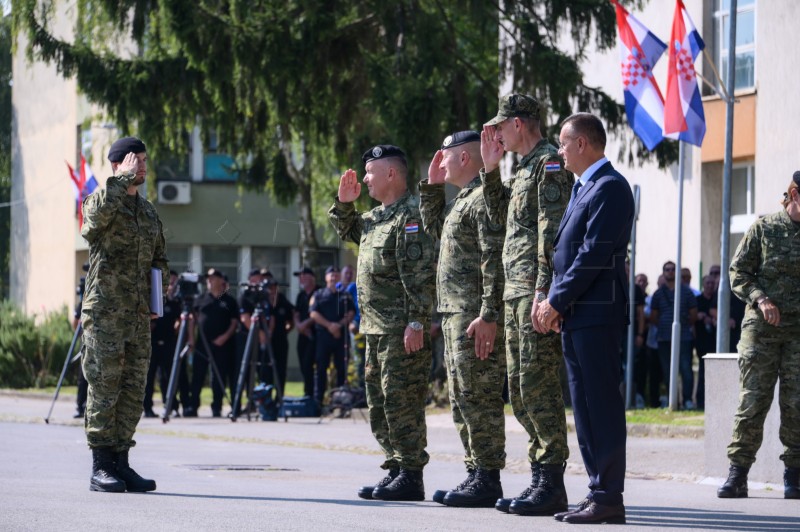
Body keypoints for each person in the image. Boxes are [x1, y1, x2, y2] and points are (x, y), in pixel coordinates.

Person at [534, 112, 634, 524]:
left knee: (602, 407)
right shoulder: (584, 188)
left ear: (582, 144)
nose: (559, 150)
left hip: (596, 315)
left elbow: (591, 255)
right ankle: (598, 492)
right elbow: (564, 252)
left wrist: (555, 301)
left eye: (563, 142)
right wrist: (557, 303)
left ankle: (610, 497)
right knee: (585, 409)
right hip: (577, 316)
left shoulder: (610, 188)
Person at [480, 93, 573, 515]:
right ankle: (539, 478)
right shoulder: (522, 168)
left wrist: (543, 293)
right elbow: (501, 222)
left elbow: (550, 235)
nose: (496, 133)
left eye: (500, 126)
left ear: (519, 123)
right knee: (519, 389)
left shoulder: (549, 163)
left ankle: (552, 481)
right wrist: (490, 169)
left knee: (539, 388)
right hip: (515, 292)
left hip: (533, 294)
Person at [329, 144, 435, 501]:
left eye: (371, 172)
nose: (366, 179)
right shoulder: (376, 218)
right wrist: (345, 203)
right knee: (378, 400)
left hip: (400, 329)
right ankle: (394, 466)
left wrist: (418, 322)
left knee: (401, 400)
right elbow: (348, 230)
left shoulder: (410, 218)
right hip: (374, 328)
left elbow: (419, 275)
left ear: (392, 174)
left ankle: (411, 472)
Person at [419, 131, 507, 508]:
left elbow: (493, 257)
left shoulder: (482, 199)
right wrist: (432, 189)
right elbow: (435, 231)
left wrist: (489, 314)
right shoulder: (461, 201)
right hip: (455, 314)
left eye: (447, 156)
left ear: (466, 159)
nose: (441, 161)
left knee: (479, 395)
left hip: (474, 315)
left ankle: (488, 476)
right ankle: (475, 471)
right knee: (461, 397)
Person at [80, 136, 168, 493]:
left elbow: (159, 260)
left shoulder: (147, 212)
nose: (142, 167)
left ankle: (121, 462)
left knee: (133, 390)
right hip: (105, 315)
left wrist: (156, 305)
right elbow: (89, 225)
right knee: (105, 386)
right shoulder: (101, 201)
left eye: (145, 160)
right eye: (135, 160)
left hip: (138, 317)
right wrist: (118, 182)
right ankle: (100, 465)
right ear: (118, 165)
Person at [717, 171, 800, 500]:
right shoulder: (765, 229)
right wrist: (761, 298)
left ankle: (794, 475)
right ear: (794, 194)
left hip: (798, 333)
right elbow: (738, 271)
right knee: (753, 403)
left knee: (797, 405)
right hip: (762, 331)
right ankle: (738, 474)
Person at [188, 268, 239, 418]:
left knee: (218, 377)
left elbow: (234, 322)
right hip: (202, 344)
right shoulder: (200, 299)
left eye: (212, 278)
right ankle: (193, 406)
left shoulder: (229, 300)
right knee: (198, 376)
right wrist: (191, 338)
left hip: (222, 345)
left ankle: (216, 407)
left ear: (220, 280)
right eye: (208, 278)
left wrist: (224, 337)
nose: (209, 281)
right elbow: (192, 320)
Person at [650, 260, 698, 409]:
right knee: (667, 370)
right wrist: (665, 325)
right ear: (663, 273)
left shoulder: (687, 292)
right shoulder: (658, 294)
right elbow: (653, 316)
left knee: (685, 368)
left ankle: (688, 400)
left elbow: (693, 314)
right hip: (664, 337)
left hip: (683, 337)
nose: (670, 272)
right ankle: (673, 400)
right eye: (667, 269)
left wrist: (683, 325)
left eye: (673, 269)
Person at [309, 266, 355, 404]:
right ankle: (318, 402)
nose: (333, 277)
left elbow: (351, 313)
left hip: (341, 337)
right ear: (326, 277)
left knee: (341, 368)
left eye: (336, 275)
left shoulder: (345, 295)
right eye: (331, 275)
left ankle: (339, 402)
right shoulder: (318, 294)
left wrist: (339, 325)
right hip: (323, 337)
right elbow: (313, 313)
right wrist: (330, 326)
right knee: (321, 369)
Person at [143, 270, 185, 417]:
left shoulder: (174, 303)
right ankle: (147, 408)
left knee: (168, 377)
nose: (171, 286)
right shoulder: (152, 301)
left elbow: (180, 320)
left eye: (174, 282)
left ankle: (171, 406)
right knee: (149, 377)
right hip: (152, 344)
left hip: (168, 344)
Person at [262, 270, 295, 393]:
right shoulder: (262, 301)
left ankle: (279, 398)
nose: (271, 290)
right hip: (265, 341)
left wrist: (285, 331)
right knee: (266, 371)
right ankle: (266, 397)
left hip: (280, 340)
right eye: (269, 288)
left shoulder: (282, 300)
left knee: (280, 370)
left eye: (273, 287)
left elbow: (292, 319)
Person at [293, 266, 319, 397]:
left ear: (312, 277)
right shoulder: (301, 295)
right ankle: (308, 391)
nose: (300, 278)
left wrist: (305, 324)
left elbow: (318, 313)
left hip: (315, 335)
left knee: (310, 364)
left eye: (303, 275)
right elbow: (296, 313)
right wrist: (299, 325)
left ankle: (311, 394)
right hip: (302, 334)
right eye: (299, 276)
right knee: (303, 364)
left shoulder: (319, 292)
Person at [694, 274, 717, 410]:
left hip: (715, 341)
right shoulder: (698, 300)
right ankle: (700, 401)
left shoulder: (717, 299)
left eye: (712, 283)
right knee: (703, 372)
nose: (709, 286)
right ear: (703, 285)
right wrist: (698, 316)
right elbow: (689, 317)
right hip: (702, 341)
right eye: (707, 283)